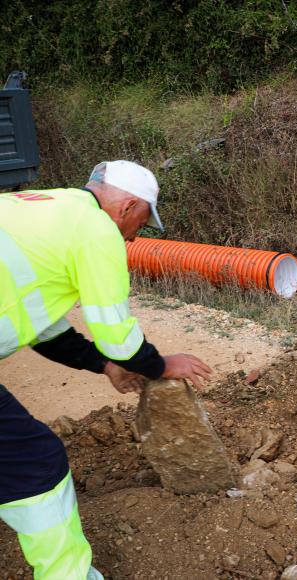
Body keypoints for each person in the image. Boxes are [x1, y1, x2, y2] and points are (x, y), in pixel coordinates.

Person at [0, 160, 212, 578]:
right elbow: (118, 335)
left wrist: (103, 366)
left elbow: (41, 323)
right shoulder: (97, 231)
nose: (135, 235)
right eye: (140, 224)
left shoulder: (38, 206)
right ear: (126, 206)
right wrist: (160, 365)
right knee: (35, 460)